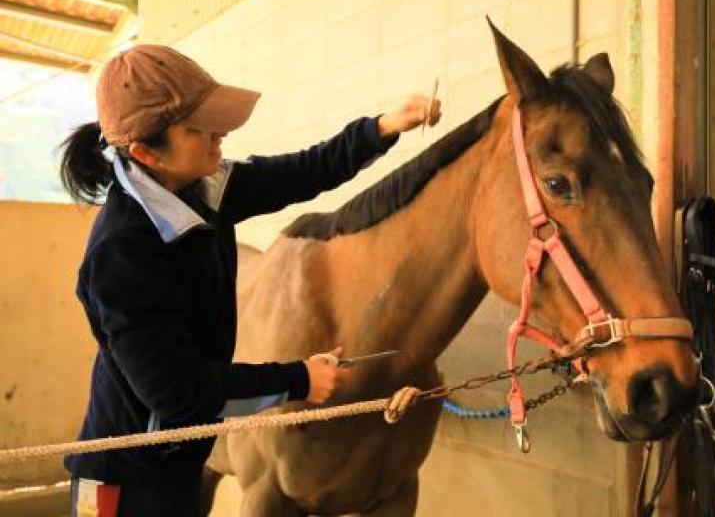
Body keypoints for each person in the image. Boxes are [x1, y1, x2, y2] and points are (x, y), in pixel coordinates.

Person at [58, 44, 441, 516]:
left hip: (177, 461)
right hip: (125, 483)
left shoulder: (200, 186)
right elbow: (178, 394)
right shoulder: (123, 252)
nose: (218, 135)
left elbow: (304, 171)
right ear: (144, 153)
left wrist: (382, 127)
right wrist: (299, 380)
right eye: (197, 129)